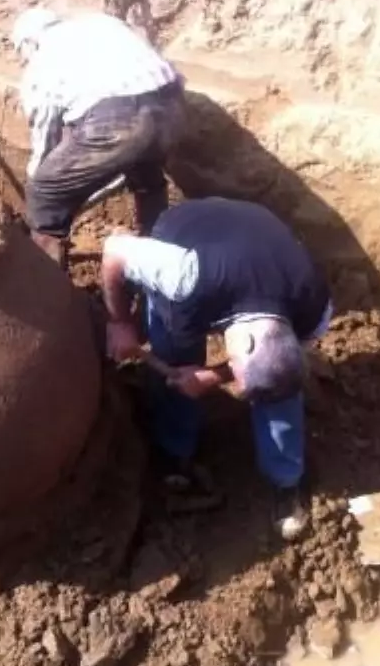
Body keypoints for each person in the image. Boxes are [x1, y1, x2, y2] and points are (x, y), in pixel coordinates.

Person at [100, 197, 333, 540]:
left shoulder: (312, 306)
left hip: (257, 251)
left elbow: (283, 357)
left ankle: (286, 480)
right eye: (236, 374)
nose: (233, 383)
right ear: (245, 347)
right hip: (192, 233)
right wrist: (119, 322)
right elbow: (114, 250)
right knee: (175, 352)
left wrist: (213, 376)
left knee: (279, 384)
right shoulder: (181, 276)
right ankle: (173, 450)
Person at [11, 7, 189, 268]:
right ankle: (155, 253)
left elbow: (45, 134)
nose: (24, 61)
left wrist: (39, 187)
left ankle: (48, 285)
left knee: (44, 191)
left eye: (21, 55)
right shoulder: (102, 23)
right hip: (174, 107)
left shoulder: (42, 61)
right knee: (144, 169)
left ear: (29, 42)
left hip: (118, 122)